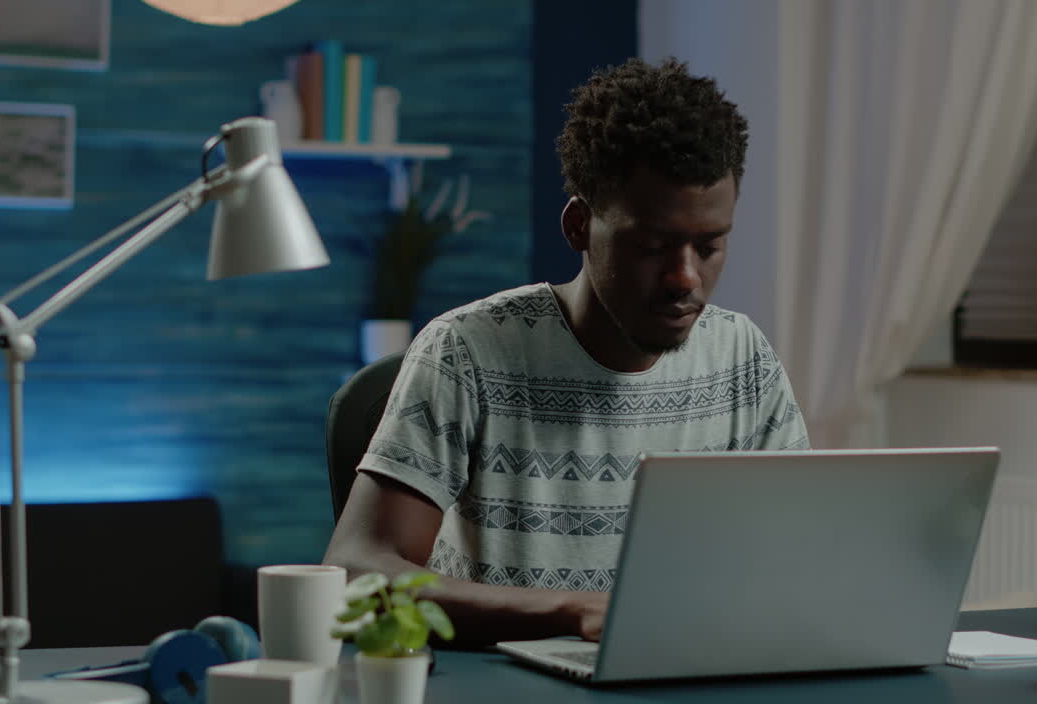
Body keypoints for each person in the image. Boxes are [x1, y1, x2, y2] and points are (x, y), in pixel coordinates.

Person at [323, 57, 809, 647]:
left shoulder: (743, 359)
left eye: (709, 246)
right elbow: (357, 571)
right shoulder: (466, 352)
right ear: (579, 225)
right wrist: (573, 612)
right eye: (653, 245)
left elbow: (794, 558)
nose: (686, 278)